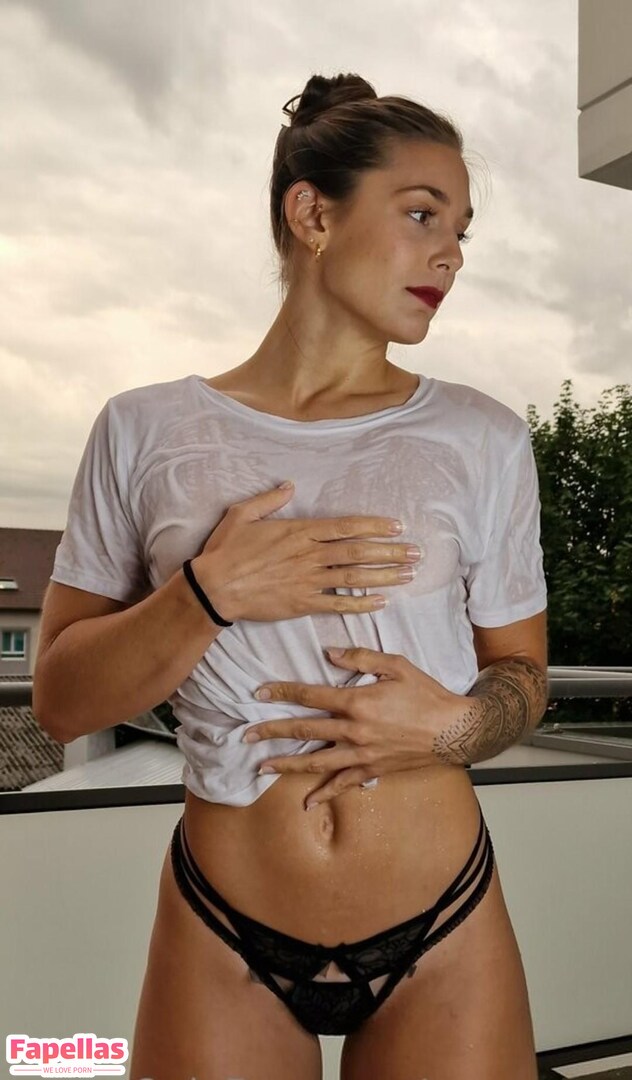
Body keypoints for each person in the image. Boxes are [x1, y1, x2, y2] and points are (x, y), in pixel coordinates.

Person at [34, 72, 549, 1080]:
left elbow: (523, 678)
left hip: (442, 925)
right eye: (420, 214)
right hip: (223, 931)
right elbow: (58, 700)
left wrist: (452, 729)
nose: (449, 252)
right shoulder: (143, 429)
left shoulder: (483, 437)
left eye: (461, 231)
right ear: (312, 214)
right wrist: (205, 597)